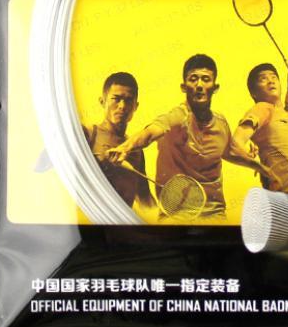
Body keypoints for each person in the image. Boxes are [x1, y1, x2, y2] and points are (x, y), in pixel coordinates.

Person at [107, 54, 267, 219]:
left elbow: (230, 152)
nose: (199, 85)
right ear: (184, 87)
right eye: (193, 79)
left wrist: (261, 168)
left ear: (215, 87)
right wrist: (125, 147)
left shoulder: (220, 123)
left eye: (205, 79)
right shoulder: (176, 118)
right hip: (175, 215)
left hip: (215, 213)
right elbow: (149, 133)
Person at [230, 62, 288, 194]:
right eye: (263, 79)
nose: (270, 81)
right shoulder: (262, 108)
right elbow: (235, 144)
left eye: (274, 77)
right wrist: (254, 163)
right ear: (253, 93)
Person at [83, 72, 154, 210]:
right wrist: (100, 163)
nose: (122, 106)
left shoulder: (136, 150)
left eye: (128, 100)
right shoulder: (88, 134)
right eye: (116, 99)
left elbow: (145, 199)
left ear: (136, 106)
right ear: (102, 101)